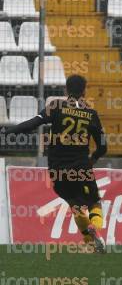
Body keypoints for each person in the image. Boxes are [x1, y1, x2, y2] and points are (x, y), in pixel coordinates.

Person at [4, 75, 108, 252]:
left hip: (57, 168)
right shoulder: (91, 114)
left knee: (75, 204)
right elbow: (103, 146)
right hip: (81, 166)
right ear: (84, 91)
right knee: (94, 203)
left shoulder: (56, 107)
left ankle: (90, 242)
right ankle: (94, 227)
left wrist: (7, 132)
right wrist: (92, 160)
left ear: (66, 90)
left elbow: (32, 124)